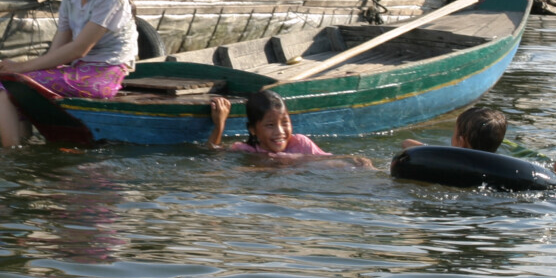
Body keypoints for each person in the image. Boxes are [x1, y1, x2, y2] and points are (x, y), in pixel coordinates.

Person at [0, 0, 138, 147]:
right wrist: (21, 73)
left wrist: (20, 68)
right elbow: (57, 51)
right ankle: (21, 144)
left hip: (104, 76)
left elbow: (79, 50)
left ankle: (10, 155)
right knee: (14, 86)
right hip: (80, 71)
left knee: (3, 86)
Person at [208, 90, 371, 165]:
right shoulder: (246, 150)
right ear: (253, 129)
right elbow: (213, 153)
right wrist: (220, 125)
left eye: (285, 123)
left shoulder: (300, 144)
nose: (280, 132)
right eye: (270, 125)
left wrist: (355, 161)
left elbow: (327, 159)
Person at [402, 105, 508, 153]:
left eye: (454, 133)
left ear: (461, 142)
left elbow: (406, 143)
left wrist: (428, 149)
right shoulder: (500, 167)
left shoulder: (444, 159)